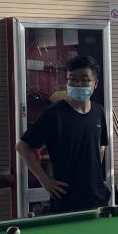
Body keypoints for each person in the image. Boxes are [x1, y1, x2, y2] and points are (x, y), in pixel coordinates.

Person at [16, 55, 110, 213]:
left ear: (95, 84)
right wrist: (45, 180)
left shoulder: (98, 111)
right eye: (72, 79)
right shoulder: (54, 114)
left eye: (84, 80)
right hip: (66, 199)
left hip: (97, 196)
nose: (78, 84)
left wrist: (91, 176)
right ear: (66, 81)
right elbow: (23, 146)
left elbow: (101, 147)